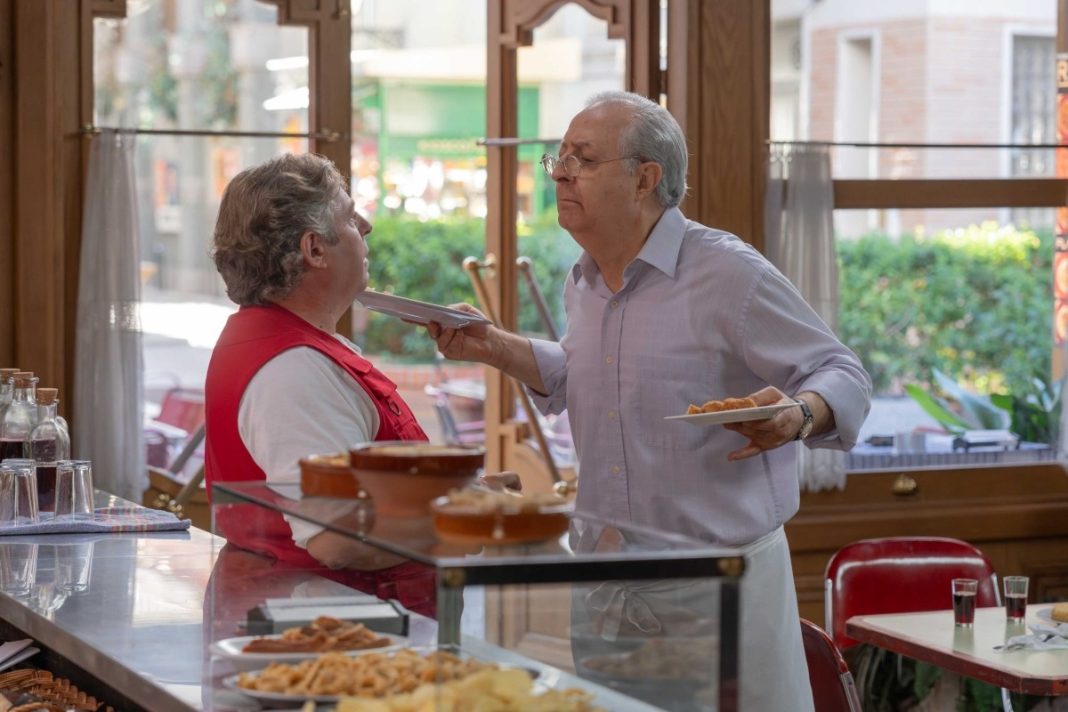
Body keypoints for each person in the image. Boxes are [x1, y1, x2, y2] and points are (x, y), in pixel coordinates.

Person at [428, 91, 872, 711]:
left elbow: (842, 371)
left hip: (716, 590)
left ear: (645, 178)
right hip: (604, 588)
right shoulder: (583, 279)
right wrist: (493, 346)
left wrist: (799, 416)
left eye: (581, 159)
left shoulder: (728, 273)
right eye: (557, 159)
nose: (559, 173)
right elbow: (586, 375)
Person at [204, 152, 437, 615]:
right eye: (350, 217)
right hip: (334, 638)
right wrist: (464, 519)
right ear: (314, 250)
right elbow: (336, 538)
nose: (366, 227)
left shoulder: (290, 347)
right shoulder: (293, 369)